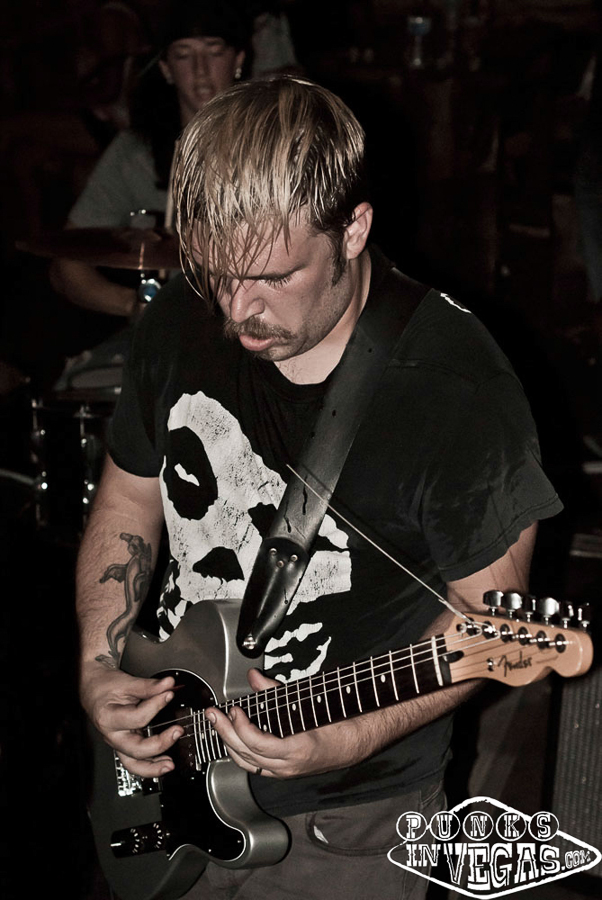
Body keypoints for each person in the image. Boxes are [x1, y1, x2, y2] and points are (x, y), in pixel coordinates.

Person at [77, 77, 563, 899]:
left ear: (354, 229)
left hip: (349, 823)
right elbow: (129, 497)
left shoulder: (457, 393)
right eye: (218, 273)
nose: (238, 309)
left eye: (273, 276)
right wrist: (99, 662)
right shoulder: (185, 314)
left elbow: (496, 626)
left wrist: (345, 740)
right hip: (169, 763)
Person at [50, 0, 250, 321]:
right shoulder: (135, 153)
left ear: (238, 60)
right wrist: (132, 305)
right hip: (175, 327)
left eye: (214, 52)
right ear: (166, 68)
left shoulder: (275, 144)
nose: (200, 69)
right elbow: (67, 265)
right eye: (183, 55)